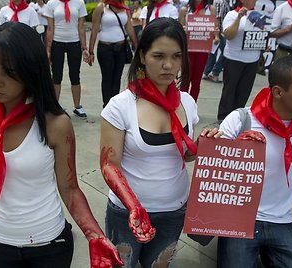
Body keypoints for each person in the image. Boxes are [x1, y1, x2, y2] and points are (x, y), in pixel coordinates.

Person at [0, 22, 123, 268]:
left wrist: (94, 234)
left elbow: (70, 189)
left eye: (9, 71)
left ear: (31, 71)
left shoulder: (55, 124)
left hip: (49, 246)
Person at [99, 18, 221, 268]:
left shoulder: (187, 102)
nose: (169, 65)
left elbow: (184, 154)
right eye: (159, 56)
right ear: (142, 56)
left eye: (177, 56)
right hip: (126, 215)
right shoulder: (120, 106)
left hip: (173, 210)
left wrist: (203, 144)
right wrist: (133, 206)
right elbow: (109, 165)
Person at [217, 55, 292, 268]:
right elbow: (213, 177)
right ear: (278, 92)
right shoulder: (240, 121)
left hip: (281, 220)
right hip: (238, 219)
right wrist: (216, 144)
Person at [216, 0, 261, 122]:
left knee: (244, 91)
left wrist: (263, 43)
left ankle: (237, 117)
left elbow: (262, 34)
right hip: (233, 58)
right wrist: (239, 17)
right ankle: (224, 118)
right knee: (229, 90)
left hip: (252, 59)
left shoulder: (259, 15)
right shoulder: (232, 14)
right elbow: (228, 35)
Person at [44, 0, 89, 119]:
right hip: (57, 43)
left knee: (75, 75)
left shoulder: (79, 2)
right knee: (56, 76)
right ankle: (55, 105)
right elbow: (50, 27)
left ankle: (77, 106)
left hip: (74, 42)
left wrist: (84, 47)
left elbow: (81, 26)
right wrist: (48, 48)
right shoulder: (52, 3)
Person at [88, 0, 138, 107]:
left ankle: (114, 105)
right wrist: (90, 51)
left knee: (117, 78)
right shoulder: (101, 7)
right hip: (106, 48)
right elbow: (95, 29)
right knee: (107, 77)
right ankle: (107, 105)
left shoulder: (124, 8)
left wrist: (137, 47)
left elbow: (129, 28)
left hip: (121, 48)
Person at [179, 0, 218, 102]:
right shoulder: (185, 10)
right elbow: (178, 28)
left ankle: (192, 105)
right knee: (185, 79)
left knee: (196, 81)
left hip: (202, 49)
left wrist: (216, 36)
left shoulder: (211, 9)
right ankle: (181, 104)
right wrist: (183, 29)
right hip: (188, 49)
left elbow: (215, 27)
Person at [203, 0, 230, 83]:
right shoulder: (220, 2)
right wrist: (217, 34)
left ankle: (207, 72)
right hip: (221, 31)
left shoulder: (224, 2)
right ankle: (214, 72)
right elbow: (217, 18)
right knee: (225, 52)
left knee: (213, 52)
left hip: (220, 31)